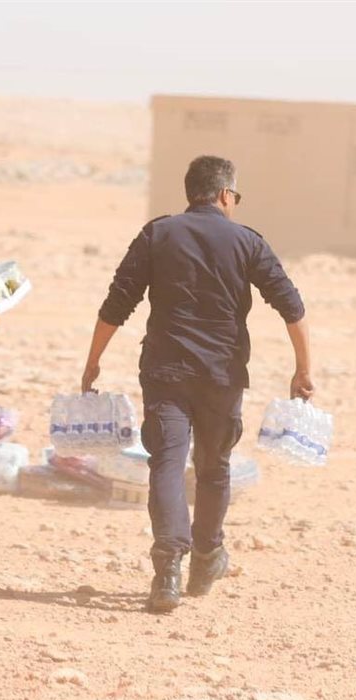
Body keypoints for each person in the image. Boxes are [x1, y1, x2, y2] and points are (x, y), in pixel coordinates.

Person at [81, 155, 313, 613]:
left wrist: (93, 362)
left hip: (165, 372)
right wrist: (303, 369)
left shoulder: (157, 234)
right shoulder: (247, 242)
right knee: (213, 467)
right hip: (222, 375)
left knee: (167, 464)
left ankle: (167, 569)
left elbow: (117, 302)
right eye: (236, 196)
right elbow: (292, 307)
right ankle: (206, 557)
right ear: (225, 194)